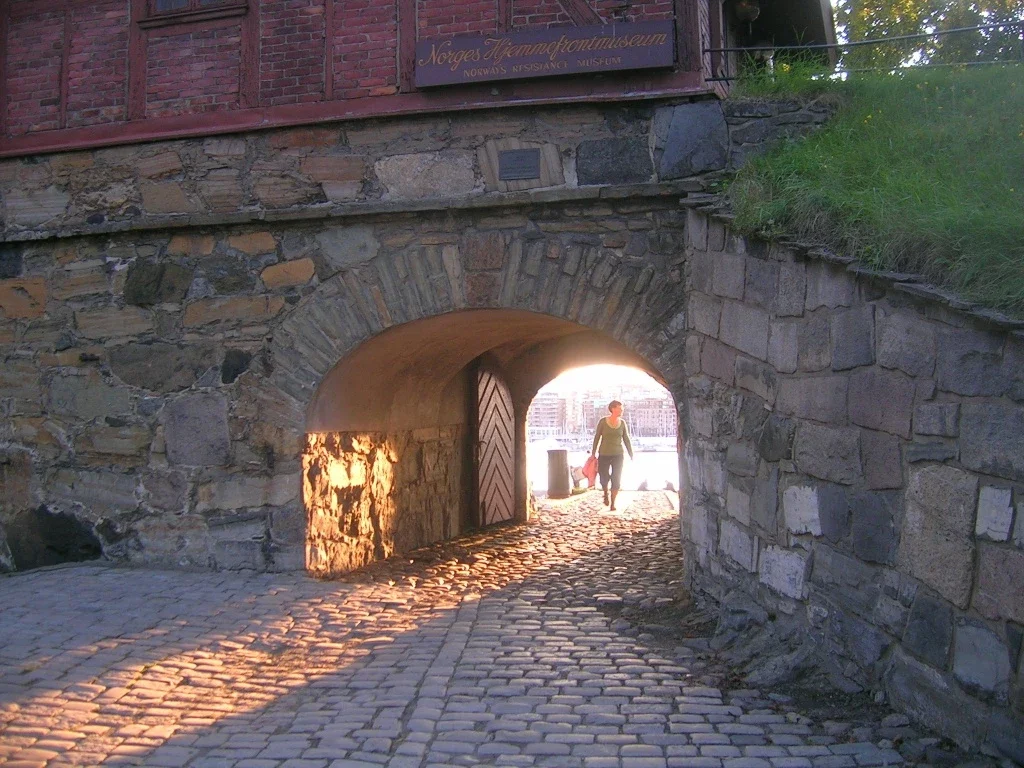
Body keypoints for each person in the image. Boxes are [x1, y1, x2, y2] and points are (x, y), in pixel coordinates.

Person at [591, 400, 634, 511]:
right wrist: (593, 453)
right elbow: (597, 437)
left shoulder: (622, 423)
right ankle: (605, 493)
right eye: (620, 408)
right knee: (604, 477)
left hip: (618, 455)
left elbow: (626, 439)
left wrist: (631, 453)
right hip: (604, 454)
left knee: (616, 478)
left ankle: (613, 503)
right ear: (613, 409)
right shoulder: (603, 422)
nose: (622, 410)